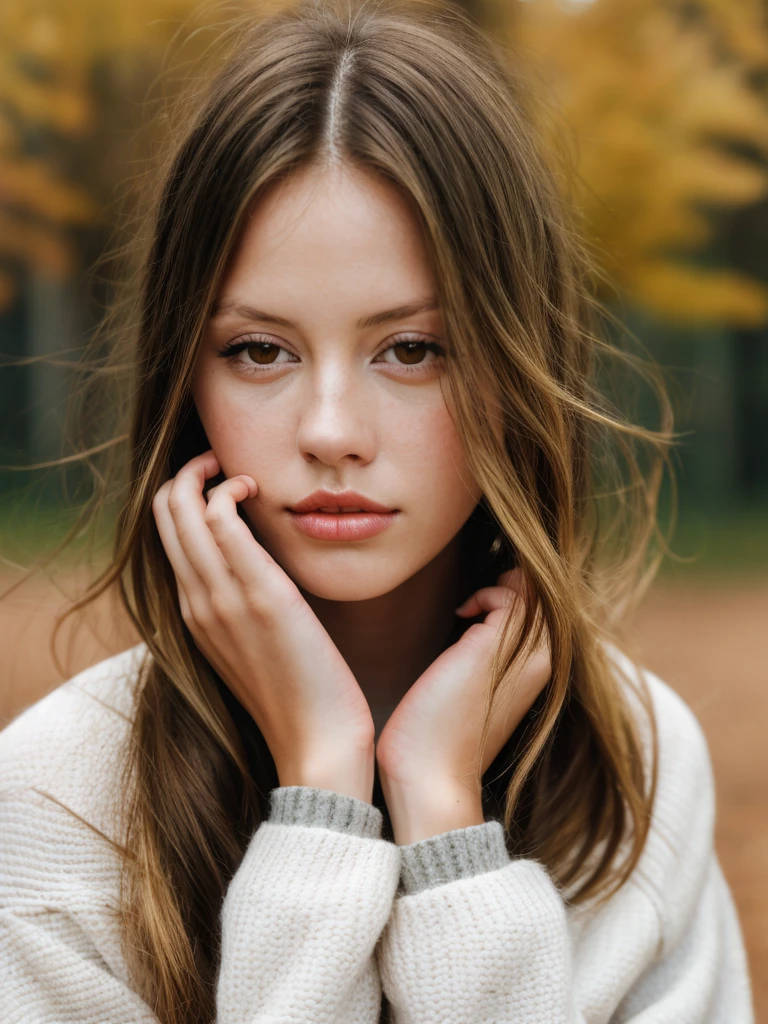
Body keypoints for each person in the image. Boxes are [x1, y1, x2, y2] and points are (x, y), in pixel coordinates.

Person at [0, 0, 755, 1021]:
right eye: (259, 350)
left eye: (412, 349)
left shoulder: (639, 768)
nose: (331, 429)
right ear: (185, 380)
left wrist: (444, 820)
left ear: (517, 363)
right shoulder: (53, 803)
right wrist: (323, 785)